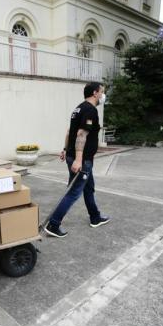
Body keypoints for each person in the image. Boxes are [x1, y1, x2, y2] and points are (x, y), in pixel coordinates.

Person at [45, 81, 110, 238]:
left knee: (88, 188)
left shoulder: (78, 108)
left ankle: (95, 217)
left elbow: (70, 132)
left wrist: (66, 149)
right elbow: (81, 134)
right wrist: (79, 159)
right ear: (95, 93)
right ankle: (53, 224)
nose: (103, 95)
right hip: (82, 159)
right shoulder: (90, 110)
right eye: (102, 91)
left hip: (75, 156)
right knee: (74, 192)